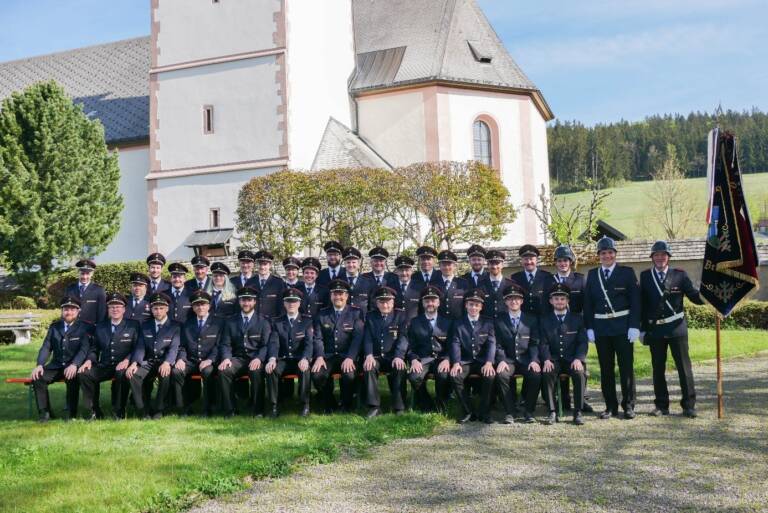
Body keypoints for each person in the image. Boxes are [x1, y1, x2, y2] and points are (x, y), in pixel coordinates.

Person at [640, 240, 705, 418]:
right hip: (656, 330)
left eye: (663, 254)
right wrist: (642, 329)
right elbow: (643, 305)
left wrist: (711, 295)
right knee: (658, 368)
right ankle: (661, 405)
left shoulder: (680, 276)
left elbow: (694, 297)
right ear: (652, 257)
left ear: (668, 257)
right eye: (657, 255)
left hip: (677, 328)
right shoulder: (645, 276)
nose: (660, 257)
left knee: (684, 368)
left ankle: (689, 405)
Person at [583, 236, 641, 420]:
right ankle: (610, 406)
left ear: (615, 254)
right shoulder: (592, 274)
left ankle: (629, 405)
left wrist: (634, 325)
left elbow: (635, 302)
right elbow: (588, 304)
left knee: (626, 368)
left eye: (610, 252)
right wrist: (589, 327)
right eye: (603, 253)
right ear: (598, 255)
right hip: (601, 328)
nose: (607, 256)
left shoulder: (627, 273)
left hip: (623, 327)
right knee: (606, 369)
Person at [78, 292, 140, 420]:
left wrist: (128, 360)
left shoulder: (133, 325)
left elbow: (137, 347)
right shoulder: (100, 326)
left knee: (121, 374)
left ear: (124, 309)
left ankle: (119, 411)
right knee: (84, 374)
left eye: (118, 306)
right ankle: (94, 410)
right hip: (105, 365)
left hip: (123, 364)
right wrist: (89, 360)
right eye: (112, 307)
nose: (115, 309)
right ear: (108, 309)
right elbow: (95, 348)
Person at [31, 297, 91, 422]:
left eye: (72, 310)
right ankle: (45, 412)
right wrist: (40, 364)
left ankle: (71, 412)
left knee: (72, 377)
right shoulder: (54, 327)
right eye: (66, 309)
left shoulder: (83, 327)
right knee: (38, 377)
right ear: (62, 311)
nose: (68, 312)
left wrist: (75, 364)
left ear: (78, 311)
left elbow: (84, 349)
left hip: (73, 365)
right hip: (56, 365)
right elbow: (46, 347)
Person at [217, 287, 273, 417]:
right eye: (243, 300)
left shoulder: (263, 321)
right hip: (237, 358)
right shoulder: (230, 321)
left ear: (254, 302)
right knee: (223, 371)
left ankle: (258, 410)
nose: (246, 303)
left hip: (255, 357)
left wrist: (259, 358)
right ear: (239, 301)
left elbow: (266, 345)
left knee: (256, 371)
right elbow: (225, 343)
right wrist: (226, 358)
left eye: (249, 300)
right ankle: (230, 409)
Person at [551, 244, 594, 413]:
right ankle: (563, 399)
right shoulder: (550, 280)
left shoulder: (580, 279)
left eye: (566, 260)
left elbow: (587, 305)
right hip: (556, 325)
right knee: (559, 359)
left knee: (579, 362)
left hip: (576, 326)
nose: (562, 263)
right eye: (560, 260)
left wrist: (589, 326)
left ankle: (581, 400)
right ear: (556, 263)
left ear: (571, 262)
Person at [311, 279, 364, 413]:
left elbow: (357, 338)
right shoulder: (322, 313)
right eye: (335, 293)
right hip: (328, 356)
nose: (338, 297)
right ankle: (330, 403)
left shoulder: (356, 313)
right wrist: (320, 357)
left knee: (349, 375)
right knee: (317, 375)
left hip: (347, 355)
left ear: (346, 296)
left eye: (341, 294)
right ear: (331, 295)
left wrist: (351, 357)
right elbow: (318, 338)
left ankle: (346, 404)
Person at [126, 292, 181, 419]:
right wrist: (135, 363)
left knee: (165, 374)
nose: (158, 311)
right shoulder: (145, 325)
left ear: (167, 309)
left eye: (161, 308)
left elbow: (174, 348)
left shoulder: (175, 326)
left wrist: (167, 362)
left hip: (164, 361)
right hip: (149, 361)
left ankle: (159, 409)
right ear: (151, 309)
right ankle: (142, 409)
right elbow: (140, 347)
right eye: (155, 308)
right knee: (133, 375)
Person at [540, 283, 588, 426]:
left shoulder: (577, 318)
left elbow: (582, 342)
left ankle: (578, 411)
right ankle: (552, 411)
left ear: (567, 301)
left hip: (572, 359)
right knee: (547, 373)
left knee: (579, 373)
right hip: (553, 359)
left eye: (562, 299)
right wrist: (547, 359)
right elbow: (542, 343)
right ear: (551, 301)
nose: (559, 302)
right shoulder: (544, 320)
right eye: (556, 299)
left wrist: (579, 358)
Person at [494, 283, 541, 424]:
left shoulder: (531, 319)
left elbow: (534, 342)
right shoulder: (499, 320)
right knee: (501, 375)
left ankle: (529, 411)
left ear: (521, 301)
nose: (513, 301)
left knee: (536, 375)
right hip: (508, 360)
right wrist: (501, 359)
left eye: (517, 299)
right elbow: (497, 344)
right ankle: (510, 411)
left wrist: (534, 360)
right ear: (506, 301)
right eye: (510, 299)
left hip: (526, 359)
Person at [449, 289, 496, 424]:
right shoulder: (458, 323)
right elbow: (455, 343)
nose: (473, 307)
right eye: (471, 304)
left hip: (482, 361)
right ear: (466, 305)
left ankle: (484, 412)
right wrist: (456, 362)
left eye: (476, 305)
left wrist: (489, 362)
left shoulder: (488, 322)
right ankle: (468, 411)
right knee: (455, 376)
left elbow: (491, 343)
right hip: (466, 361)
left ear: (481, 307)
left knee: (490, 376)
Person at [173, 290, 223, 416]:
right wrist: (181, 359)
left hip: (209, 360)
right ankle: (184, 407)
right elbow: (182, 346)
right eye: (197, 305)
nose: (200, 307)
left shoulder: (219, 323)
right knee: (177, 371)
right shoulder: (187, 324)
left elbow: (220, 345)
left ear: (209, 306)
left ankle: (207, 408)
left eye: (203, 304)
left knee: (207, 372)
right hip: (191, 360)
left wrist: (210, 360)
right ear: (193, 307)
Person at [266, 288, 314, 417]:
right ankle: (274, 405)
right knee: (272, 370)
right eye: (288, 301)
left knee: (304, 370)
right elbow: (274, 342)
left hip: (299, 359)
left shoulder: (307, 321)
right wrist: (272, 359)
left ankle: (305, 405)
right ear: (284, 303)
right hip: (284, 359)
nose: (291, 304)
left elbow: (309, 344)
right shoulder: (277, 321)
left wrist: (305, 358)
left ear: (299, 303)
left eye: (294, 301)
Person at [362, 286, 409, 418]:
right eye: (381, 302)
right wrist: (369, 355)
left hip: (394, 356)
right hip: (376, 356)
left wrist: (399, 356)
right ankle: (374, 407)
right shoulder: (371, 316)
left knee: (400, 368)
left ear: (393, 302)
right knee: (368, 367)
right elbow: (367, 337)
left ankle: (399, 406)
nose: (385, 304)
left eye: (388, 301)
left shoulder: (401, 315)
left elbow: (403, 338)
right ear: (377, 303)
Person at [407, 285, 453, 412]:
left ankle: (441, 402)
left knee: (443, 376)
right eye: (427, 301)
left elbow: (452, 345)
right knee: (414, 377)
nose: (430, 303)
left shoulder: (448, 322)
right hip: (423, 359)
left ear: (438, 302)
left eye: (433, 300)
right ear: (422, 303)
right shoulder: (415, 322)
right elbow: (410, 346)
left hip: (441, 359)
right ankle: (426, 402)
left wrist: (448, 359)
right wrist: (414, 360)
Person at [510, 244, 553, 318]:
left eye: (531, 259)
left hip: (543, 319)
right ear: (522, 261)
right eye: (526, 259)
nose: (529, 262)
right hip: (524, 321)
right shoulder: (515, 278)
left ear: (536, 260)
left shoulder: (547, 277)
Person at [64, 259, 106, 325]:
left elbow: (102, 313)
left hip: (91, 330)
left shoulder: (99, 290)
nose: (84, 277)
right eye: (82, 273)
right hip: (73, 329)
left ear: (92, 274)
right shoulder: (70, 289)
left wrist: (99, 330)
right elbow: (65, 310)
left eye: (87, 274)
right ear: (78, 273)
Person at [436, 250, 470, 320]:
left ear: (455, 266)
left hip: (458, 324)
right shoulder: (433, 284)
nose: (447, 267)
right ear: (439, 266)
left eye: (449, 264)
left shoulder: (463, 283)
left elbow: (467, 305)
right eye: (444, 265)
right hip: (439, 325)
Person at [478, 249, 513, 319]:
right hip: (487, 325)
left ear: (502, 265)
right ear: (487, 265)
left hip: (505, 325)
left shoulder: (511, 284)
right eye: (491, 264)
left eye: (497, 263)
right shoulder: (480, 285)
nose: (494, 267)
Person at [342, 247, 376, 316]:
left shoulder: (368, 282)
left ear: (359, 263)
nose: (351, 265)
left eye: (354, 262)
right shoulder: (339, 281)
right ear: (344, 264)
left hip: (362, 322)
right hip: (343, 322)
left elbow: (372, 306)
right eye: (348, 262)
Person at [253, 250, 285, 318]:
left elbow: (282, 307)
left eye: (265, 264)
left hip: (272, 324)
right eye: (259, 264)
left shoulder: (278, 283)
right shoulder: (250, 282)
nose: (262, 267)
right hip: (255, 325)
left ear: (270, 265)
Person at [393, 255, 423, 321]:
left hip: (414, 326)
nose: (404, 273)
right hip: (395, 326)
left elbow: (422, 309)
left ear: (411, 271)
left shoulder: (419, 287)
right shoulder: (391, 286)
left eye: (407, 270)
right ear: (397, 271)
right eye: (401, 270)